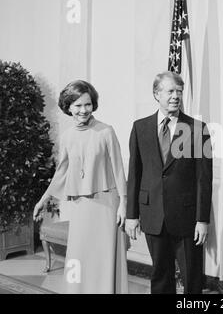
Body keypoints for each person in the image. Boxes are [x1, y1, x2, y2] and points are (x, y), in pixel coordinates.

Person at [33, 80, 128, 294]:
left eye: (87, 104)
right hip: (80, 206)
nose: (83, 110)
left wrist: (124, 203)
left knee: (103, 258)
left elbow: (119, 170)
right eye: (77, 105)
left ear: (93, 104)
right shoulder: (67, 137)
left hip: (106, 205)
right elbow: (61, 173)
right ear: (68, 107)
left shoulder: (106, 132)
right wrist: (43, 200)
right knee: (79, 257)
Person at [125, 71, 212, 294]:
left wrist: (202, 220)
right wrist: (132, 215)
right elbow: (134, 174)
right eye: (170, 91)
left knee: (192, 277)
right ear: (156, 94)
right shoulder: (140, 127)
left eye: (179, 91)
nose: (175, 96)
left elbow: (204, 178)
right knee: (160, 276)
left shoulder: (197, 129)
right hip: (152, 215)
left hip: (187, 217)